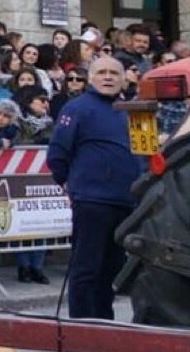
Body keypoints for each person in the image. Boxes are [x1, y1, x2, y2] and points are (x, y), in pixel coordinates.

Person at [47, 57, 143, 319]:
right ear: (90, 78)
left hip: (127, 201)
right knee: (87, 267)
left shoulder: (135, 110)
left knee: (112, 268)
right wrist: (68, 182)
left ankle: (104, 323)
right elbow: (58, 151)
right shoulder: (75, 108)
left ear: (124, 78)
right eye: (102, 72)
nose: (108, 77)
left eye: (114, 73)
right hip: (92, 199)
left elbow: (147, 152)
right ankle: (82, 328)